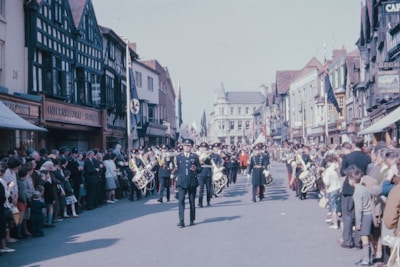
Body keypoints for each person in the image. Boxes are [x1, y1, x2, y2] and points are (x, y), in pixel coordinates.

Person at [174, 138, 201, 228]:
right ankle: (181, 221)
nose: (186, 148)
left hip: (192, 182)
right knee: (181, 201)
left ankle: (192, 219)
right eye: (185, 146)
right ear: (182, 146)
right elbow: (176, 169)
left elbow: (199, 169)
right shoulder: (179, 157)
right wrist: (175, 177)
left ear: (191, 147)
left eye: (188, 146)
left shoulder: (195, 157)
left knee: (192, 201)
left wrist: (196, 169)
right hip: (181, 182)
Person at [349, 166, 373, 266]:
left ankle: (366, 259)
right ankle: (370, 256)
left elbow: (358, 209)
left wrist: (358, 223)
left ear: (351, 180)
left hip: (364, 216)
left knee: (364, 237)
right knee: (370, 237)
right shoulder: (365, 188)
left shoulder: (357, 193)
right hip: (370, 213)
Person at [322, 154, 341, 230]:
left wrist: (323, 175)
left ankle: (335, 224)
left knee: (333, 208)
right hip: (338, 188)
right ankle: (337, 221)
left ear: (328, 161)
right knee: (338, 206)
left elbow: (327, 182)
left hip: (332, 189)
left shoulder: (328, 170)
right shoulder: (337, 168)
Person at [197, 142, 212, 207]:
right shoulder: (197, 155)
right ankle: (200, 202)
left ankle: (208, 201)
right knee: (201, 188)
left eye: (205, 147)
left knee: (208, 189)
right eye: (202, 147)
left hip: (208, 173)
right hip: (200, 173)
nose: (203, 149)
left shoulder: (210, 154)